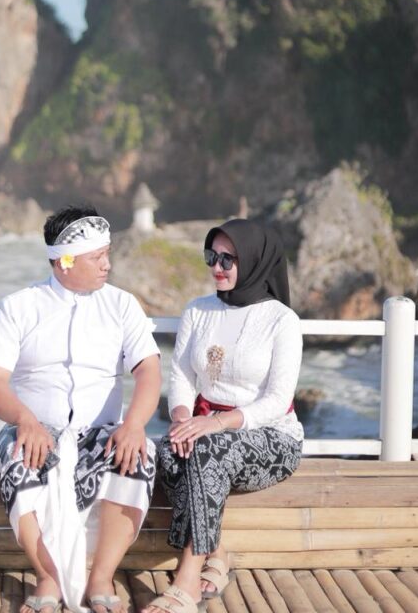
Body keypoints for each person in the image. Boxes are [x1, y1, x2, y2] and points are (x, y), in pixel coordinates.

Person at [0, 205, 162, 613]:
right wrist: (25, 420)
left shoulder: (122, 305)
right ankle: (48, 577)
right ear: (64, 262)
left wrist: (134, 425)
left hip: (101, 432)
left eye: (107, 254)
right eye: (97, 258)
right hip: (35, 428)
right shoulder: (19, 306)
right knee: (18, 455)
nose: (107, 265)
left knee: (141, 454)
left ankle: (101, 577)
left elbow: (149, 370)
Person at [145, 219, 303, 613]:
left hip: (272, 437)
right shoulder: (198, 310)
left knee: (205, 452)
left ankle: (186, 580)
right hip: (205, 427)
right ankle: (216, 554)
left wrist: (215, 424)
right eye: (211, 256)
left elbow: (277, 400)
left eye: (227, 259)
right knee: (169, 452)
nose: (217, 267)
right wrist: (182, 419)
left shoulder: (281, 320)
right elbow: (182, 376)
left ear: (253, 260)